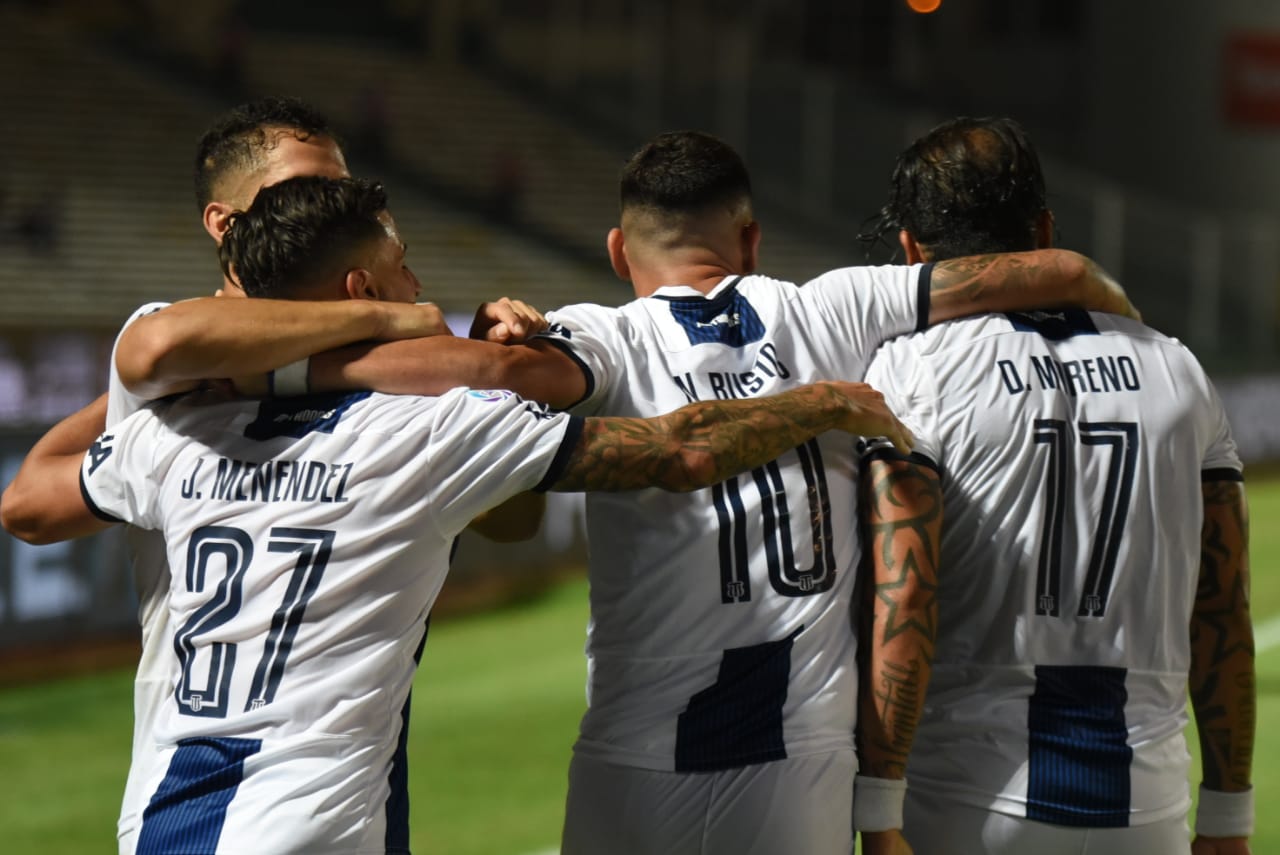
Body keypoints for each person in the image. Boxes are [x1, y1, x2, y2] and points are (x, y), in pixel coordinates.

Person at [55, 174, 914, 853]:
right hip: (312, 820)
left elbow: (31, 497)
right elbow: (682, 450)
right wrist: (825, 403)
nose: (419, 281)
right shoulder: (430, 429)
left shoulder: (170, 432)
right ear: (365, 289)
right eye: (404, 266)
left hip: (166, 822)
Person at [0, 95, 541, 855]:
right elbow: (146, 353)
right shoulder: (185, 354)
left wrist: (490, 389)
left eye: (342, 186)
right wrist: (396, 323)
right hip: (198, 776)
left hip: (347, 779)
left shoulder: (379, 361)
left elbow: (513, 523)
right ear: (227, 224)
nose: (334, 204)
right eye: (304, 189)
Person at [857, 116, 1255, 855]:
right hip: (1147, 806)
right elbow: (1223, 607)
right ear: (1044, 228)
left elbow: (901, 594)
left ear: (913, 253)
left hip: (969, 798)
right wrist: (1228, 817)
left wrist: (877, 805)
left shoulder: (916, 370)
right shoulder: (1177, 367)